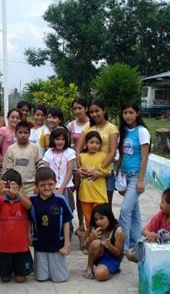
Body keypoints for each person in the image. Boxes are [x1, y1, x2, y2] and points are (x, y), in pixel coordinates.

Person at [0, 169, 33, 283]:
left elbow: (29, 206)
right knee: (5, 279)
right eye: (8, 187)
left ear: (20, 186)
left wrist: (18, 193)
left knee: (21, 279)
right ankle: (9, 269)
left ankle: (17, 269)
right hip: (4, 246)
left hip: (21, 246)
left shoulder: (23, 199)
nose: (10, 190)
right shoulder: (0, 199)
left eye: (14, 186)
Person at [117, 102, 150, 252]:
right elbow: (121, 155)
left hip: (136, 176)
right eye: (125, 113)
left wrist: (141, 180)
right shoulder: (123, 131)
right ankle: (136, 241)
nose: (128, 116)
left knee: (125, 210)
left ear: (137, 113)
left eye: (131, 112)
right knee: (134, 211)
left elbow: (144, 157)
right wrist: (118, 176)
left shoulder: (142, 132)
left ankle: (123, 246)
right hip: (125, 175)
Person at [30, 167, 72, 283]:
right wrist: (29, 236)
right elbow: (28, 220)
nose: (47, 187)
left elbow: (66, 222)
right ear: (37, 186)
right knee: (41, 278)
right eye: (43, 185)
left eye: (50, 184)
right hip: (40, 243)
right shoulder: (32, 200)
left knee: (59, 278)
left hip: (57, 243)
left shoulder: (60, 200)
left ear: (55, 183)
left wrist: (67, 244)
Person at [126, 188, 170, 263]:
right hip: (158, 250)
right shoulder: (161, 215)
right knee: (129, 253)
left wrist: (165, 237)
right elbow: (144, 230)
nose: (160, 204)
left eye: (162, 202)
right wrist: (149, 234)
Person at [77, 100, 119, 207]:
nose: (94, 114)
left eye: (97, 111)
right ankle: (84, 224)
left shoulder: (112, 128)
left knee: (105, 206)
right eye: (91, 112)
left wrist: (99, 170)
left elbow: (113, 151)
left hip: (105, 172)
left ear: (104, 110)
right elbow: (78, 149)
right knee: (86, 202)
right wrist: (79, 167)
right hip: (88, 173)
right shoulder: (88, 127)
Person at [67, 98, 90, 243]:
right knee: (78, 195)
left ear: (86, 109)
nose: (77, 111)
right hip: (76, 164)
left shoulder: (91, 124)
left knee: (87, 195)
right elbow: (68, 143)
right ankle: (80, 224)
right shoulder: (71, 125)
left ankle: (90, 224)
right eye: (75, 108)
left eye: (80, 108)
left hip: (90, 162)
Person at [78, 131, 111, 233]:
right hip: (85, 194)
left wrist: (99, 174)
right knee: (88, 219)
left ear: (100, 145)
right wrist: (79, 171)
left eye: (97, 143)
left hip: (99, 195)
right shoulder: (81, 156)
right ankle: (89, 238)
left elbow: (108, 172)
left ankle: (102, 238)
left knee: (100, 218)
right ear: (86, 144)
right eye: (91, 142)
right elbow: (78, 170)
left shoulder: (103, 156)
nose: (94, 145)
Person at [84, 204, 124, 281]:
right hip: (99, 255)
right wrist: (91, 237)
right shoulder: (94, 228)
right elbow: (85, 248)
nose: (98, 222)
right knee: (96, 243)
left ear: (108, 217)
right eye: (96, 219)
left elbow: (118, 253)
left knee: (99, 275)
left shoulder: (118, 231)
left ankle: (112, 270)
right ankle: (89, 267)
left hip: (112, 258)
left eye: (101, 218)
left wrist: (109, 245)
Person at [3, 121, 42, 196]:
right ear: (15, 133)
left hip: (31, 186)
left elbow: (40, 166)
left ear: (29, 134)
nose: (23, 135)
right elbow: (8, 169)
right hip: (15, 186)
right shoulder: (11, 149)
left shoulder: (34, 147)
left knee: (29, 206)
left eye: (25, 133)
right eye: (20, 132)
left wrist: (38, 184)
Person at [42, 127, 76, 202]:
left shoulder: (70, 152)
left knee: (67, 210)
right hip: (50, 187)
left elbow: (69, 172)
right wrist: (53, 188)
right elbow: (46, 172)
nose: (60, 142)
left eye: (62, 139)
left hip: (66, 186)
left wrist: (61, 188)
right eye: (57, 139)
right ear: (53, 140)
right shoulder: (48, 153)